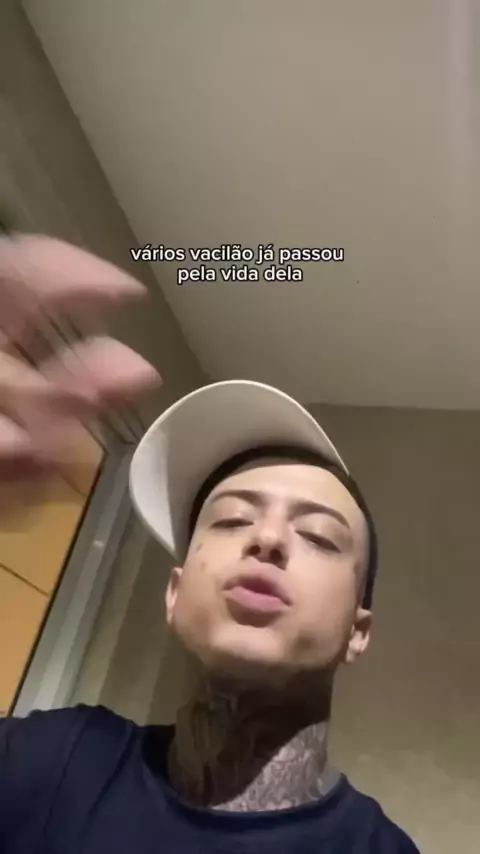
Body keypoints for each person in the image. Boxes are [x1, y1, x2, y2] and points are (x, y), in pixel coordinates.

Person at [0, 234, 420, 853]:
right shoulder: (47, 761)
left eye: (317, 536)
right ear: (174, 594)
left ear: (357, 631)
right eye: (230, 521)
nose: (267, 539)